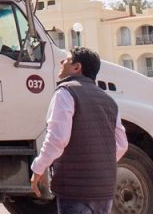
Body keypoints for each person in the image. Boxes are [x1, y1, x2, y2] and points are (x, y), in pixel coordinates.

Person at [30, 47, 128, 214]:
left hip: (74, 187)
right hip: (104, 188)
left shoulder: (65, 92)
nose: (61, 62)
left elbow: (57, 139)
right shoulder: (109, 100)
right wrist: (97, 163)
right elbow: (122, 144)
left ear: (77, 67)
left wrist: (38, 168)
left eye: (66, 60)